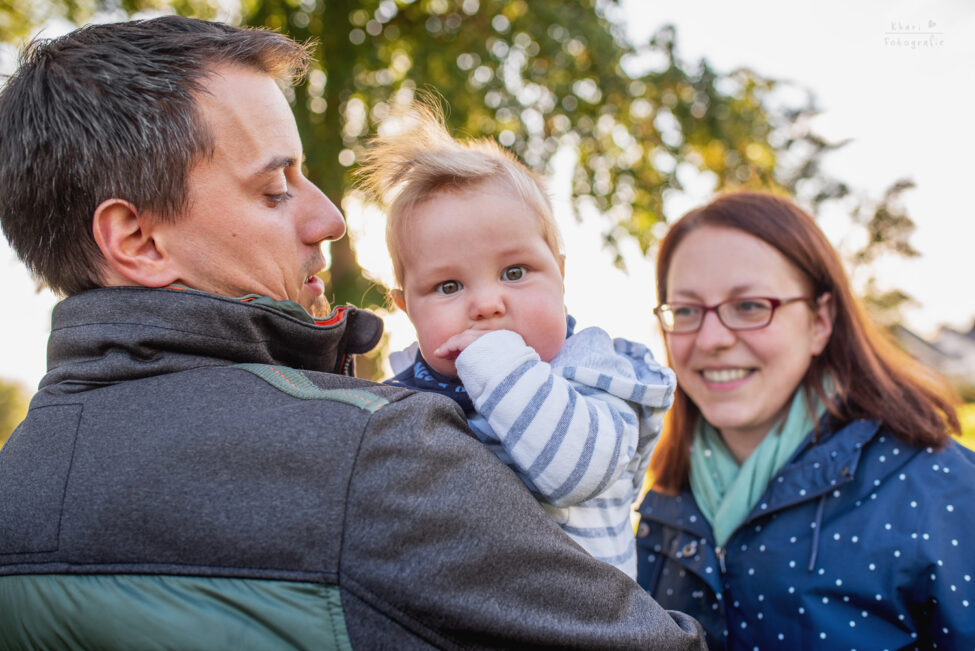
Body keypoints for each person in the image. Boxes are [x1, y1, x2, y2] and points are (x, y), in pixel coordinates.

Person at [0, 15, 707, 650]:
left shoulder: (16, 487)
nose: (331, 218)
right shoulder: (377, 454)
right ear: (139, 240)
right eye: (276, 189)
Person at [635, 191, 975, 649]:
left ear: (820, 320)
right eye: (688, 311)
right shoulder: (659, 499)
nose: (711, 338)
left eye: (750, 306)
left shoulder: (942, 492)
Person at [357, 103, 675, 579]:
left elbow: (574, 472)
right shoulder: (402, 399)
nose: (487, 303)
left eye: (514, 272)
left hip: (587, 627)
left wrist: (497, 361)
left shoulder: (596, 374)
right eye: (448, 286)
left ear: (561, 275)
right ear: (408, 310)